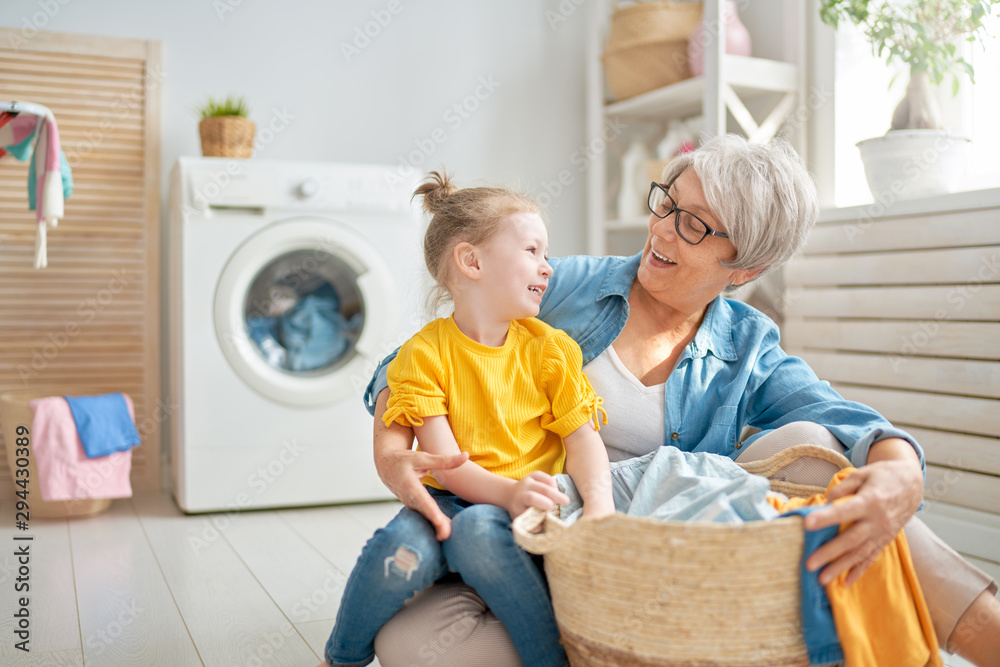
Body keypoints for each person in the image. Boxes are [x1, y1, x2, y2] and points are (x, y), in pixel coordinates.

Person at [364, 135, 1000, 667]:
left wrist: (902, 476)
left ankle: (985, 633)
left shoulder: (747, 344)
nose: (661, 229)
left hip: (662, 549)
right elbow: (416, 359)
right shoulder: (570, 287)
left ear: (743, 269)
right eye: (667, 203)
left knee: (819, 452)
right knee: (410, 640)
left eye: (693, 225)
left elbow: (845, 417)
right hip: (529, 537)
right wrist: (393, 453)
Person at [321, 171, 615, 667]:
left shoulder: (551, 350)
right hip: (449, 498)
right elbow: (446, 461)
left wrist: (599, 505)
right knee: (396, 550)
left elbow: (583, 439)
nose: (547, 268)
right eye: (532, 251)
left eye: (546, 255)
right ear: (471, 260)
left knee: (479, 529)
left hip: (530, 506)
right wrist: (507, 492)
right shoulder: (421, 355)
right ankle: (340, 659)